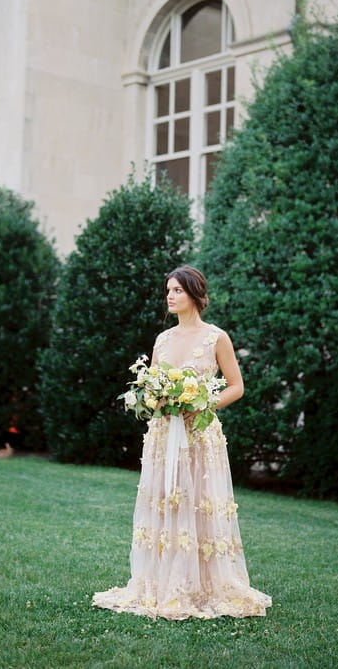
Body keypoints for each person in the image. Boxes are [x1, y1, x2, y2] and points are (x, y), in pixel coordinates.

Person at [92, 265, 272, 620]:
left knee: (198, 502)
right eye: (168, 291)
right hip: (163, 435)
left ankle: (204, 583)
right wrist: (153, 398)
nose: (170, 296)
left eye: (177, 290)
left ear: (194, 294)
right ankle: (163, 581)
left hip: (200, 435)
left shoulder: (216, 337)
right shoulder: (163, 340)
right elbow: (154, 383)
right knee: (166, 501)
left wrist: (202, 403)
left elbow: (236, 386)